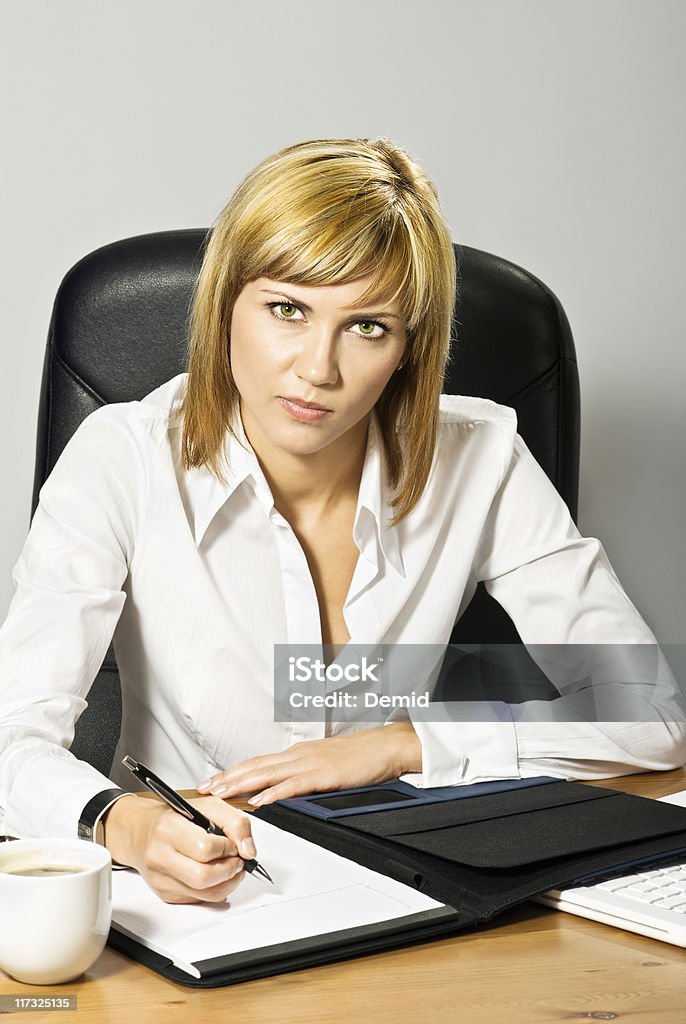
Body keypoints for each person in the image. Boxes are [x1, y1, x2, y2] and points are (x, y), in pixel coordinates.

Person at [0, 137, 684, 906]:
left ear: (408, 351)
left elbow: (647, 708)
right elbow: (10, 738)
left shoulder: (482, 458)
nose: (318, 369)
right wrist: (123, 822)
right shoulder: (121, 457)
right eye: (287, 310)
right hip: (191, 901)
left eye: (367, 327)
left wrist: (403, 745)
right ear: (226, 303)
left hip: (408, 885)